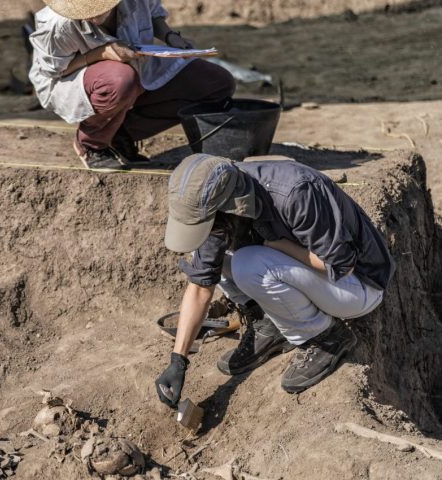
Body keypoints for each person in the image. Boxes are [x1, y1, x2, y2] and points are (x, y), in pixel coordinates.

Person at [155, 154, 395, 407]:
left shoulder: (295, 194)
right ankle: (269, 324)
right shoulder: (220, 202)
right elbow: (201, 286)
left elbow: (341, 265)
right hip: (309, 276)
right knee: (211, 255)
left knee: (248, 264)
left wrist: (275, 245)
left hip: (358, 286)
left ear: (225, 205)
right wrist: (178, 360)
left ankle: (325, 337)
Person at [29, 0, 235, 171]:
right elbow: (55, 70)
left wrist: (170, 36)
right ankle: (92, 143)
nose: (91, 17)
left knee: (216, 84)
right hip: (74, 80)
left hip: (137, 69)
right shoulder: (58, 23)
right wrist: (101, 54)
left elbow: (153, 14)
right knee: (120, 79)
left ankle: (120, 134)